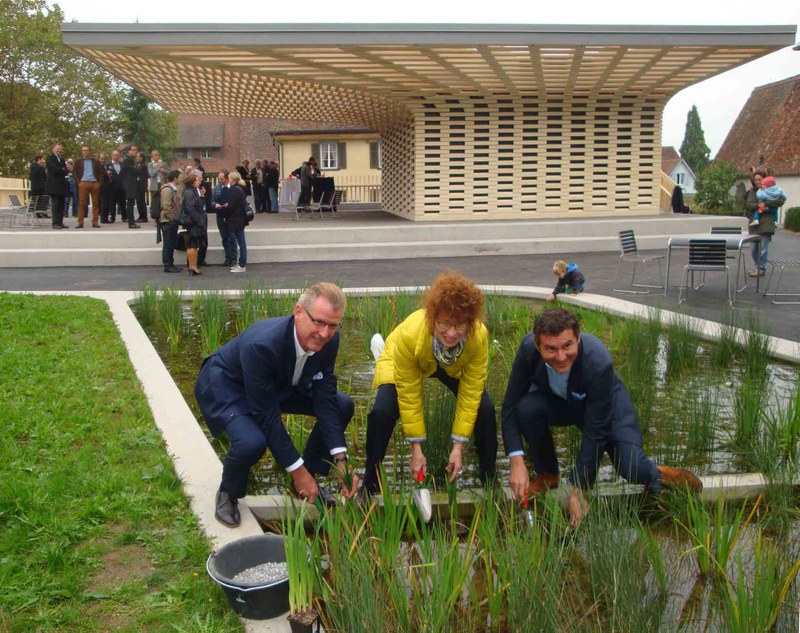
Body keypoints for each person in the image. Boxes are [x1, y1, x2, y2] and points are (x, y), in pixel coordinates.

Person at [501, 308, 702, 527]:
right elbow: (510, 405)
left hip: (606, 408)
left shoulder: (598, 361)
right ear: (537, 346)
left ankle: (666, 475)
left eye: (567, 346)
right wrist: (516, 460)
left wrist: (579, 488)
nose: (560, 356)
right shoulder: (526, 349)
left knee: (631, 466)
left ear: (578, 338)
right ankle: (548, 473)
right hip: (563, 402)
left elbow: (596, 432)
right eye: (550, 349)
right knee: (526, 408)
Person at [194, 282, 358, 527]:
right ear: (299, 312)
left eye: (333, 325)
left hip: (277, 383)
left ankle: (303, 484)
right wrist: (296, 469)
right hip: (228, 386)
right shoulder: (261, 345)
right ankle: (229, 492)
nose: (324, 333)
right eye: (318, 322)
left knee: (341, 404)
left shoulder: (328, 341)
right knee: (252, 441)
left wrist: (341, 461)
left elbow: (325, 396)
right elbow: (267, 416)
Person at [362, 270, 498, 494]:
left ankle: (489, 479)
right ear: (433, 317)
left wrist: (458, 445)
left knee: (485, 409)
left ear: (471, 322)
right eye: (445, 324)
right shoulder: (410, 334)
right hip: (411, 355)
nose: (452, 333)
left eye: (460, 325)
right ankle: (370, 483)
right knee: (382, 412)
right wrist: (416, 449)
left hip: (452, 363)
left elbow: (471, 391)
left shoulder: (478, 336)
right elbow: (409, 394)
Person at [745, 168, 786, 277]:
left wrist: (766, 204)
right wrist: (758, 205)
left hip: (766, 224)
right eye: (756, 180)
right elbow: (748, 205)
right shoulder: (752, 192)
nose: (757, 181)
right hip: (754, 224)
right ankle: (757, 267)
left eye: (760, 179)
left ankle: (761, 269)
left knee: (763, 249)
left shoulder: (772, 190)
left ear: (764, 179)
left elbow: (780, 201)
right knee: (754, 250)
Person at [181, 171, 207, 275]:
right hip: (193, 222)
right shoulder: (189, 192)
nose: (199, 182)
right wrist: (199, 220)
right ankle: (192, 266)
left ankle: (193, 266)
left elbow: (198, 204)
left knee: (195, 244)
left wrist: (202, 196)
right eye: (197, 180)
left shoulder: (193, 191)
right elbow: (190, 208)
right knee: (192, 244)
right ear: (192, 181)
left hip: (195, 220)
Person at [73, 144, 103, 228]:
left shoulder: (96, 161)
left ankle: (95, 221)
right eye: (84, 150)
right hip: (83, 183)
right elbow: (74, 172)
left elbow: (101, 172)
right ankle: (80, 222)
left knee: (95, 203)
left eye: (87, 150)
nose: (85, 152)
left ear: (89, 151)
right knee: (82, 203)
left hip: (94, 183)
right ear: (82, 151)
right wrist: (78, 183)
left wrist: (99, 183)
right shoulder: (78, 161)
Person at [211, 170, 237, 266]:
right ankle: (228, 257)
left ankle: (234, 258)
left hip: (231, 216)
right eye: (219, 178)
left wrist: (229, 204)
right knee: (224, 238)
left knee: (232, 237)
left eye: (221, 179)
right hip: (220, 215)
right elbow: (212, 201)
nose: (219, 180)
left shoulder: (233, 188)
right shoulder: (217, 188)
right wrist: (215, 205)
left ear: (226, 178)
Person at [158, 170, 182, 273]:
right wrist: (172, 218)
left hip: (171, 220)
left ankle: (171, 264)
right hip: (168, 220)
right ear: (175, 178)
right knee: (168, 243)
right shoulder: (167, 189)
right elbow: (166, 206)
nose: (181, 179)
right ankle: (167, 265)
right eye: (179, 177)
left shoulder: (173, 189)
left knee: (171, 243)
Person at [226, 171, 248, 273]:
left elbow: (231, 206)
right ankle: (241, 263)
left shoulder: (235, 190)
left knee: (241, 241)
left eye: (229, 178)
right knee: (241, 241)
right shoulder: (240, 188)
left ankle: (242, 264)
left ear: (233, 179)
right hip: (240, 219)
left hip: (236, 219)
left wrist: (226, 209)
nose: (228, 180)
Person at [45, 143, 69, 229]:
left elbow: (66, 171)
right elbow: (53, 168)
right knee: (55, 205)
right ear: (53, 149)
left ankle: (60, 222)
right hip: (54, 185)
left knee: (62, 205)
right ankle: (55, 223)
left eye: (60, 149)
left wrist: (63, 169)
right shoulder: (49, 158)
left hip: (62, 185)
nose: (59, 150)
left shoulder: (62, 159)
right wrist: (62, 169)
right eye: (58, 148)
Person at [119, 145, 142, 229]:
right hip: (129, 184)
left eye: (136, 150)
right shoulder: (127, 160)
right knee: (130, 204)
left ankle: (131, 222)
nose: (135, 151)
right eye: (133, 150)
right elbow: (135, 171)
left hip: (131, 183)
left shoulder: (131, 160)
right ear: (128, 151)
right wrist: (137, 168)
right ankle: (131, 223)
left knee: (131, 203)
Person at [102, 150, 125, 224]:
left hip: (121, 186)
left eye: (117, 155)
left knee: (122, 203)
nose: (116, 156)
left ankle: (124, 217)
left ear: (119, 156)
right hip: (112, 187)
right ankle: (112, 217)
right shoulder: (107, 164)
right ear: (112, 156)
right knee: (112, 203)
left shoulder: (122, 164)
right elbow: (104, 174)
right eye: (115, 155)